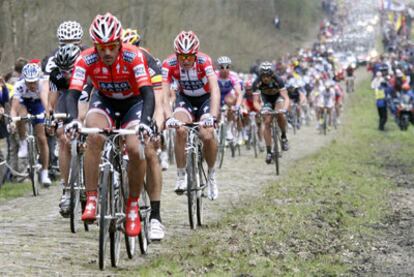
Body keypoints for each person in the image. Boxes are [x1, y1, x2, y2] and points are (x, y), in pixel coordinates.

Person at [65, 13, 155, 237]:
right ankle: (92, 198)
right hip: (104, 100)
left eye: (112, 47)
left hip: (134, 103)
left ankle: (133, 206)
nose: (106, 52)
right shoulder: (85, 59)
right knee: (93, 135)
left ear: (120, 44)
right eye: (101, 47)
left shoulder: (134, 56)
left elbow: (148, 93)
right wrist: (72, 119)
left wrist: (144, 123)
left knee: (136, 148)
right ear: (95, 45)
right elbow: (72, 95)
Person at [163, 30, 220, 200]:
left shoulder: (204, 61)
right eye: (182, 57)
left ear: (195, 54)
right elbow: (163, 93)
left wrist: (213, 115)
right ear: (176, 55)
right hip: (185, 100)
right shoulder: (169, 63)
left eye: (189, 56)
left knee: (207, 134)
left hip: (204, 100)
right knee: (180, 130)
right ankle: (181, 175)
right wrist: (168, 117)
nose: (186, 60)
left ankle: (211, 176)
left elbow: (215, 89)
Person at [121, 27, 165, 240]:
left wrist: (155, 124)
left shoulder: (148, 61)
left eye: (134, 46)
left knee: (148, 150)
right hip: (118, 104)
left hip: (143, 104)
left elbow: (159, 99)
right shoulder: (108, 60)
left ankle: (155, 216)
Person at [47, 43, 82, 217]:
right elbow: (52, 102)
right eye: (64, 70)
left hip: (84, 97)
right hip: (65, 98)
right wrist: (51, 118)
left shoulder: (87, 71)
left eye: (71, 70)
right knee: (63, 137)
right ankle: (67, 189)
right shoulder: (56, 76)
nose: (67, 74)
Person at [10, 63, 52, 186]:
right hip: (24, 103)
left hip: (38, 104)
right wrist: (13, 121)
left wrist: (48, 119)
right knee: (21, 114)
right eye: (29, 82)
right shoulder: (19, 85)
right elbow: (13, 109)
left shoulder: (42, 84)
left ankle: (45, 173)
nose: (32, 85)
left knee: (42, 138)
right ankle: (23, 141)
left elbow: (45, 103)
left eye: (34, 82)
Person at [252, 61, 290, 164]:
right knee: (267, 122)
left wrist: (285, 109)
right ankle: (269, 152)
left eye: (268, 75)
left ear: (272, 74)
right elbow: (255, 101)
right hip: (266, 100)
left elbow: (286, 97)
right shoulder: (256, 82)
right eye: (263, 76)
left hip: (278, 98)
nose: (265, 78)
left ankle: (283, 137)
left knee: (280, 113)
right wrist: (261, 110)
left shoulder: (278, 80)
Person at [215, 56, 243, 142]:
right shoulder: (214, 75)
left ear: (229, 67)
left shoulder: (233, 76)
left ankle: (229, 128)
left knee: (231, 102)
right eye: (222, 67)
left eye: (227, 67)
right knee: (217, 110)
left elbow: (239, 93)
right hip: (217, 95)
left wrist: (237, 106)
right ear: (218, 67)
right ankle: (217, 127)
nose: (224, 69)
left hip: (228, 95)